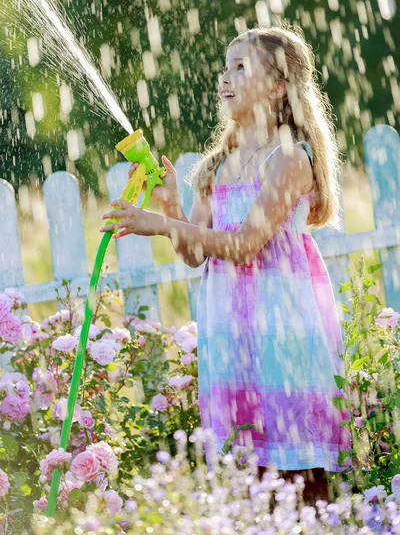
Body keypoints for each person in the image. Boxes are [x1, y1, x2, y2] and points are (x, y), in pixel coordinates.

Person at [100, 25, 351, 505]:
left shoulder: (289, 158)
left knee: (291, 455)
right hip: (231, 329)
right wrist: (171, 205)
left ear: (278, 86)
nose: (225, 77)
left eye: (241, 67)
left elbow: (244, 245)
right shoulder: (219, 163)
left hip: (281, 326)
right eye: (224, 66)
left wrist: (156, 224)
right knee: (246, 459)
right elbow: (196, 253)